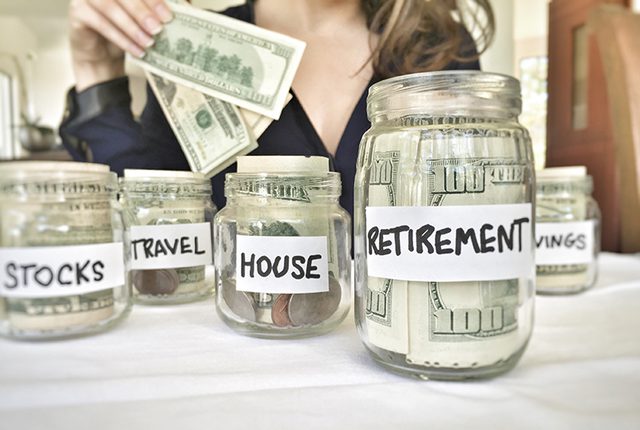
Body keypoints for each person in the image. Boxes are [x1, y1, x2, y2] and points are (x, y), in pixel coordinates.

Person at [60, 0, 494, 219]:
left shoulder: (441, 48)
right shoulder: (192, 50)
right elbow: (148, 215)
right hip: (248, 340)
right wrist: (95, 67)